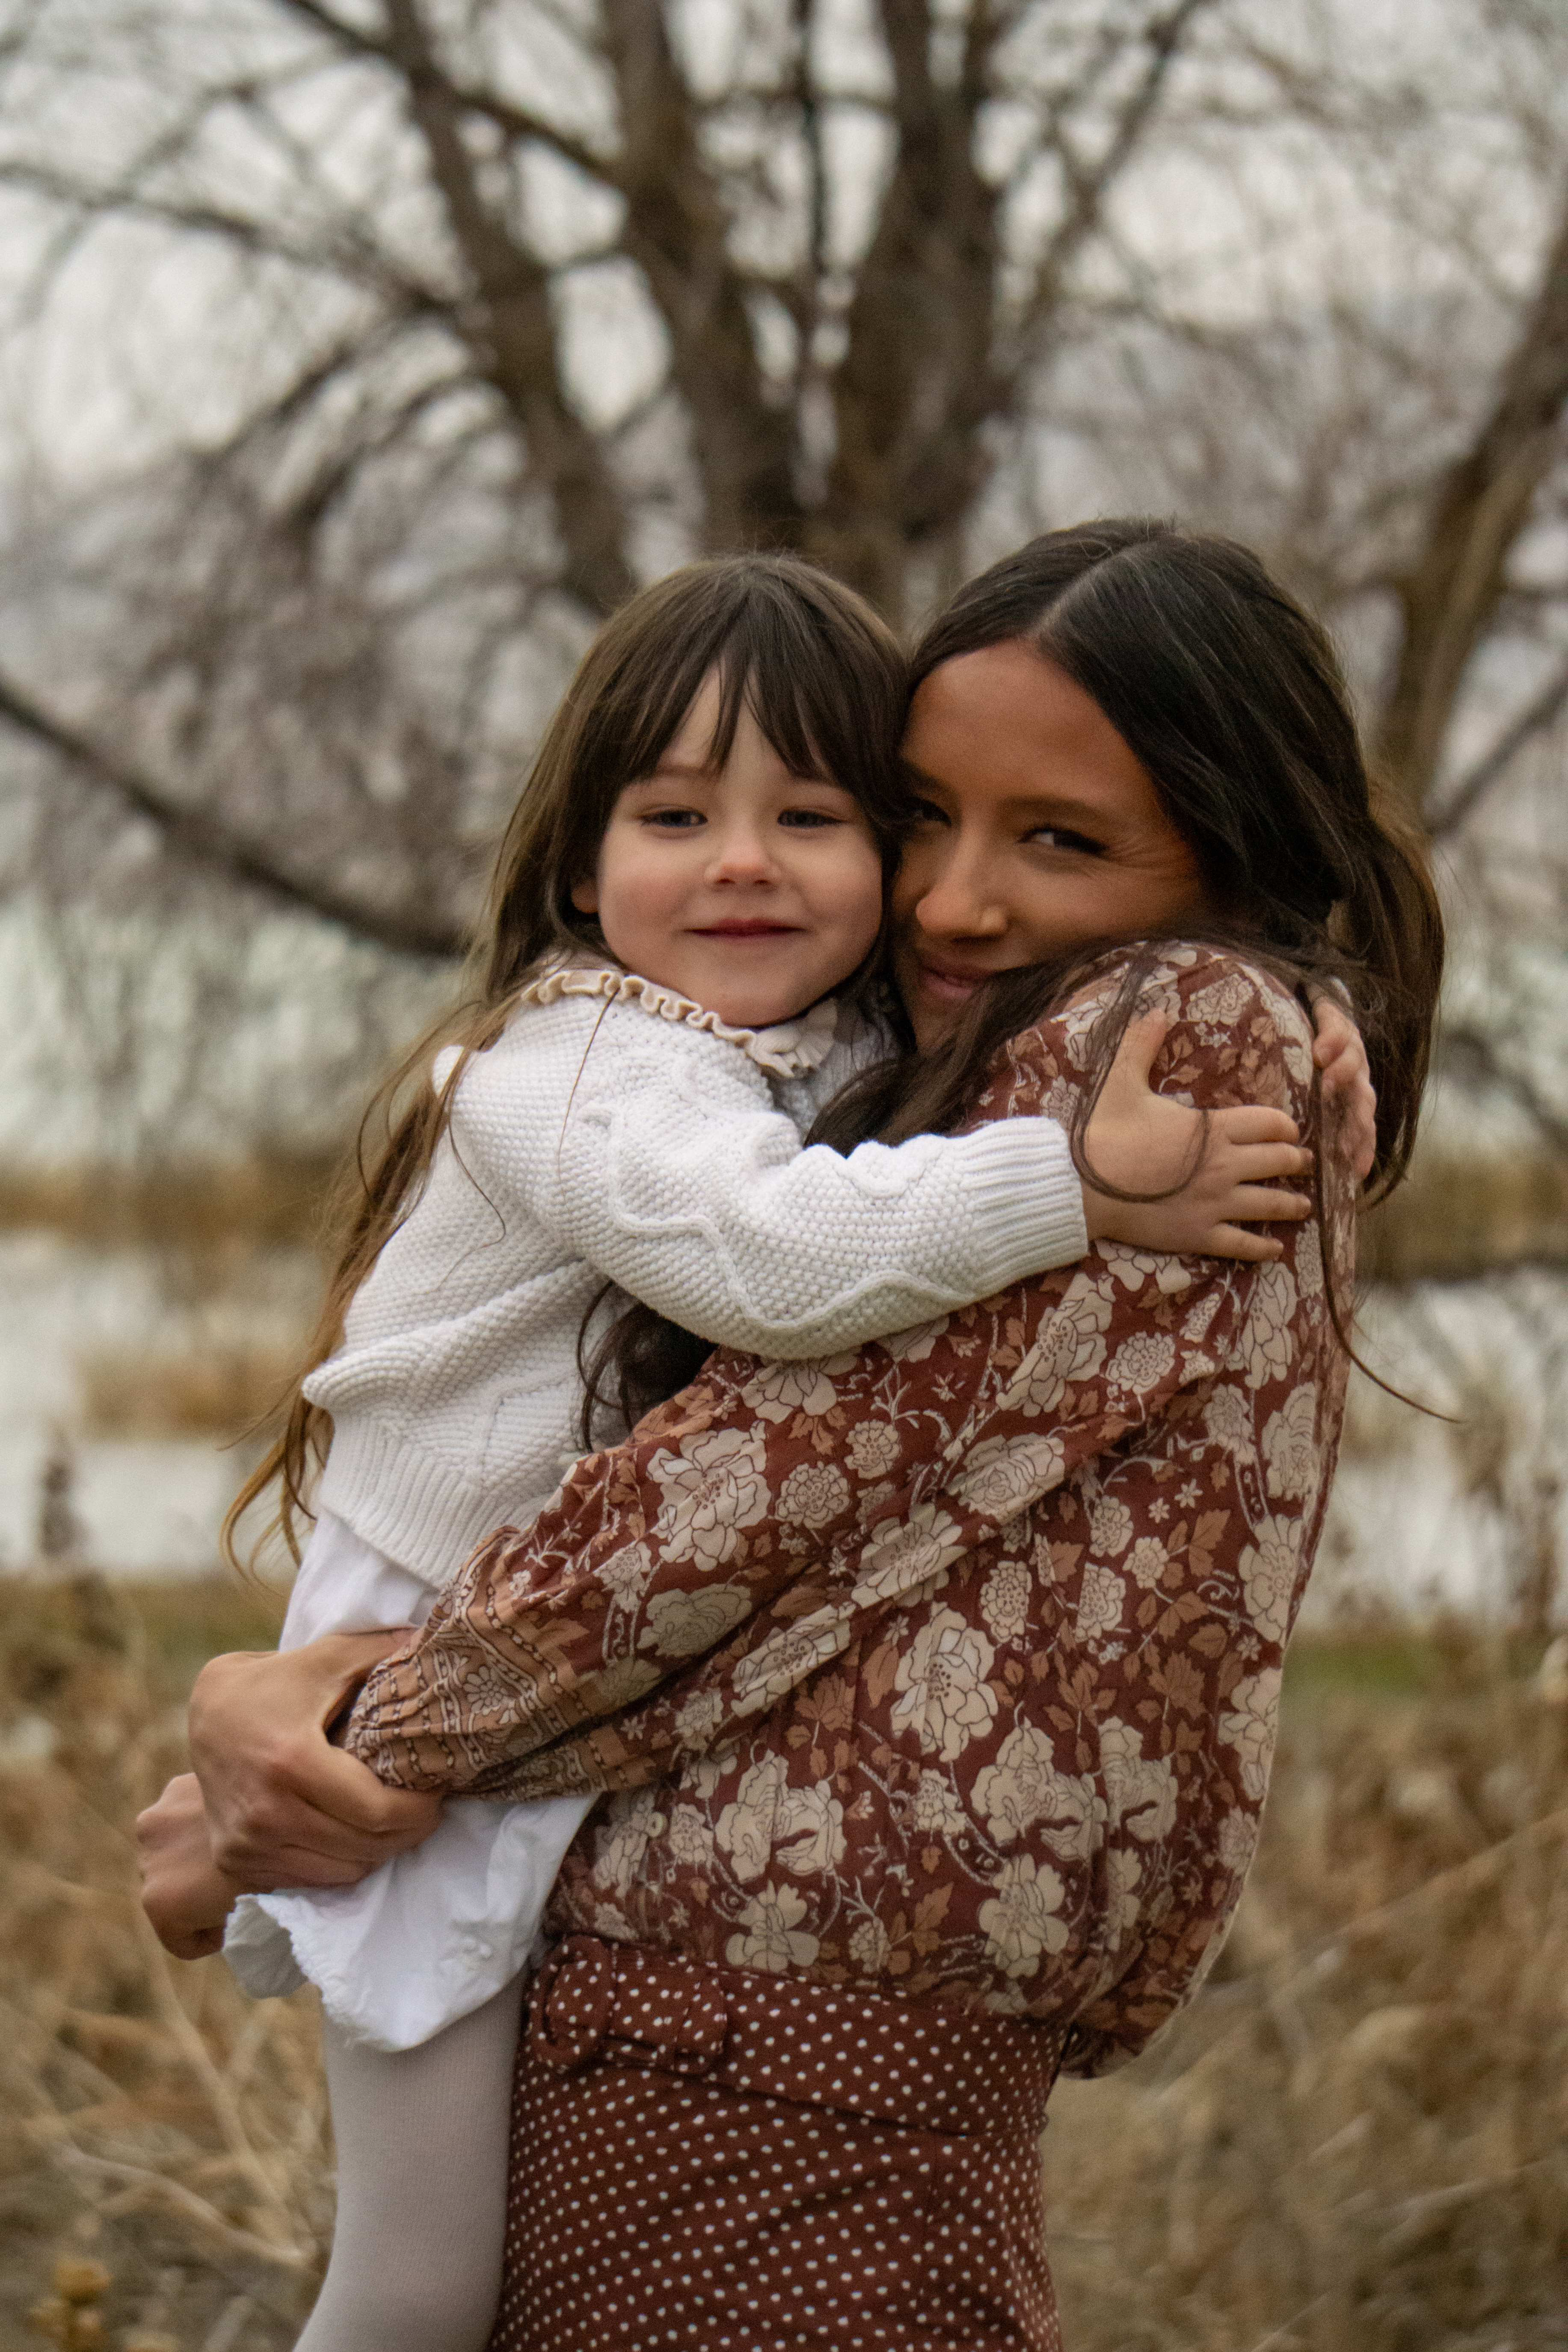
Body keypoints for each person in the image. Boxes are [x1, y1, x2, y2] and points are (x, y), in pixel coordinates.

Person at [141, 548, 1339, 2352]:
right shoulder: (590, 1064)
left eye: (816, 813)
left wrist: (1310, 996)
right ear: (574, 859)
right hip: (432, 1619)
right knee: (408, 2282)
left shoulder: (844, 1042)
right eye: (923, 818)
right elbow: (772, 1271)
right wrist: (1071, 1181)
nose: (947, 897)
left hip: (534, 1719)